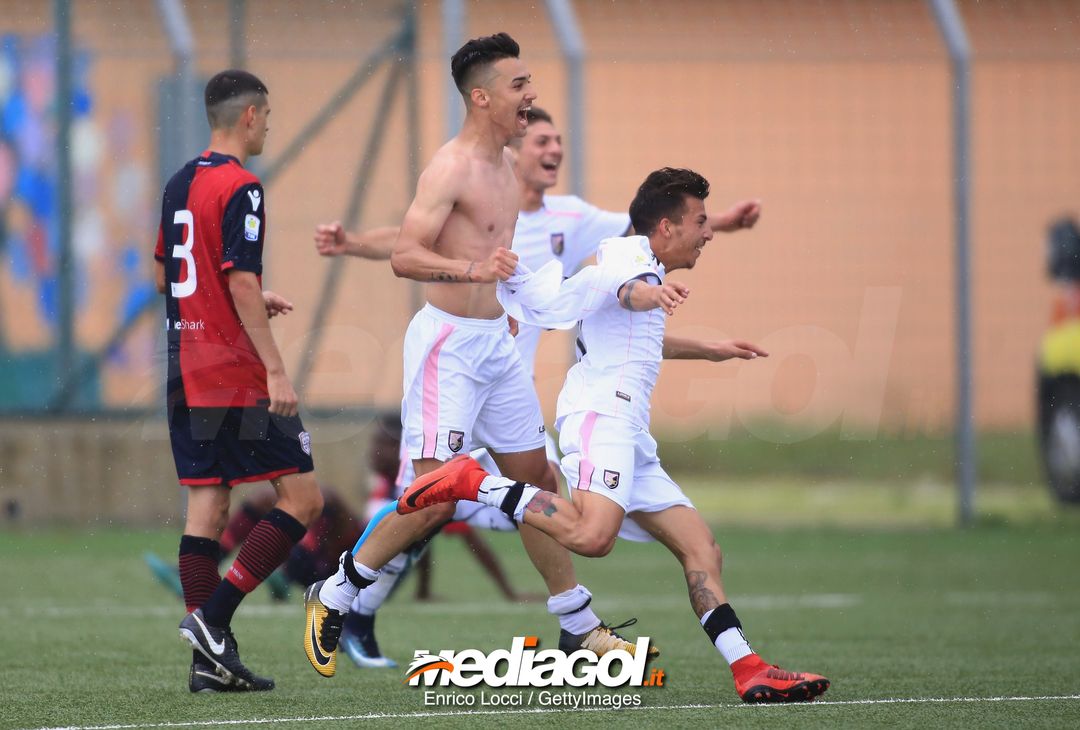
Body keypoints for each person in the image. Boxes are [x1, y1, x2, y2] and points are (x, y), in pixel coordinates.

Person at [398, 168, 831, 704]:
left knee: (702, 547)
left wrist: (712, 349)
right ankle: (471, 481)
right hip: (599, 419)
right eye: (700, 221)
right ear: (667, 227)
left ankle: (749, 668)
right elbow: (628, 294)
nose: (708, 232)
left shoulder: (645, 268)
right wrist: (649, 294)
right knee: (592, 537)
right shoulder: (631, 262)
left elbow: (640, 332)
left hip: (628, 432)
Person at [303, 33, 648, 679]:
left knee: (539, 480)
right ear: (482, 96)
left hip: (496, 348)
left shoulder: (507, 172)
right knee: (434, 498)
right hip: (447, 349)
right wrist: (473, 267)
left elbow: (510, 263)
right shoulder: (452, 167)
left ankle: (576, 624)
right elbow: (407, 254)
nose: (533, 96)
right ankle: (339, 591)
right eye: (520, 86)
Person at [155, 69, 324, 693]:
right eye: (269, 114)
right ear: (250, 116)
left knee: (209, 500)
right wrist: (275, 367)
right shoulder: (242, 186)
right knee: (304, 500)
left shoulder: (180, 182)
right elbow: (240, 280)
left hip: (184, 364)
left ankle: (208, 666)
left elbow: (174, 275)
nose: (270, 124)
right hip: (234, 374)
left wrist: (222, 310)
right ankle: (213, 621)